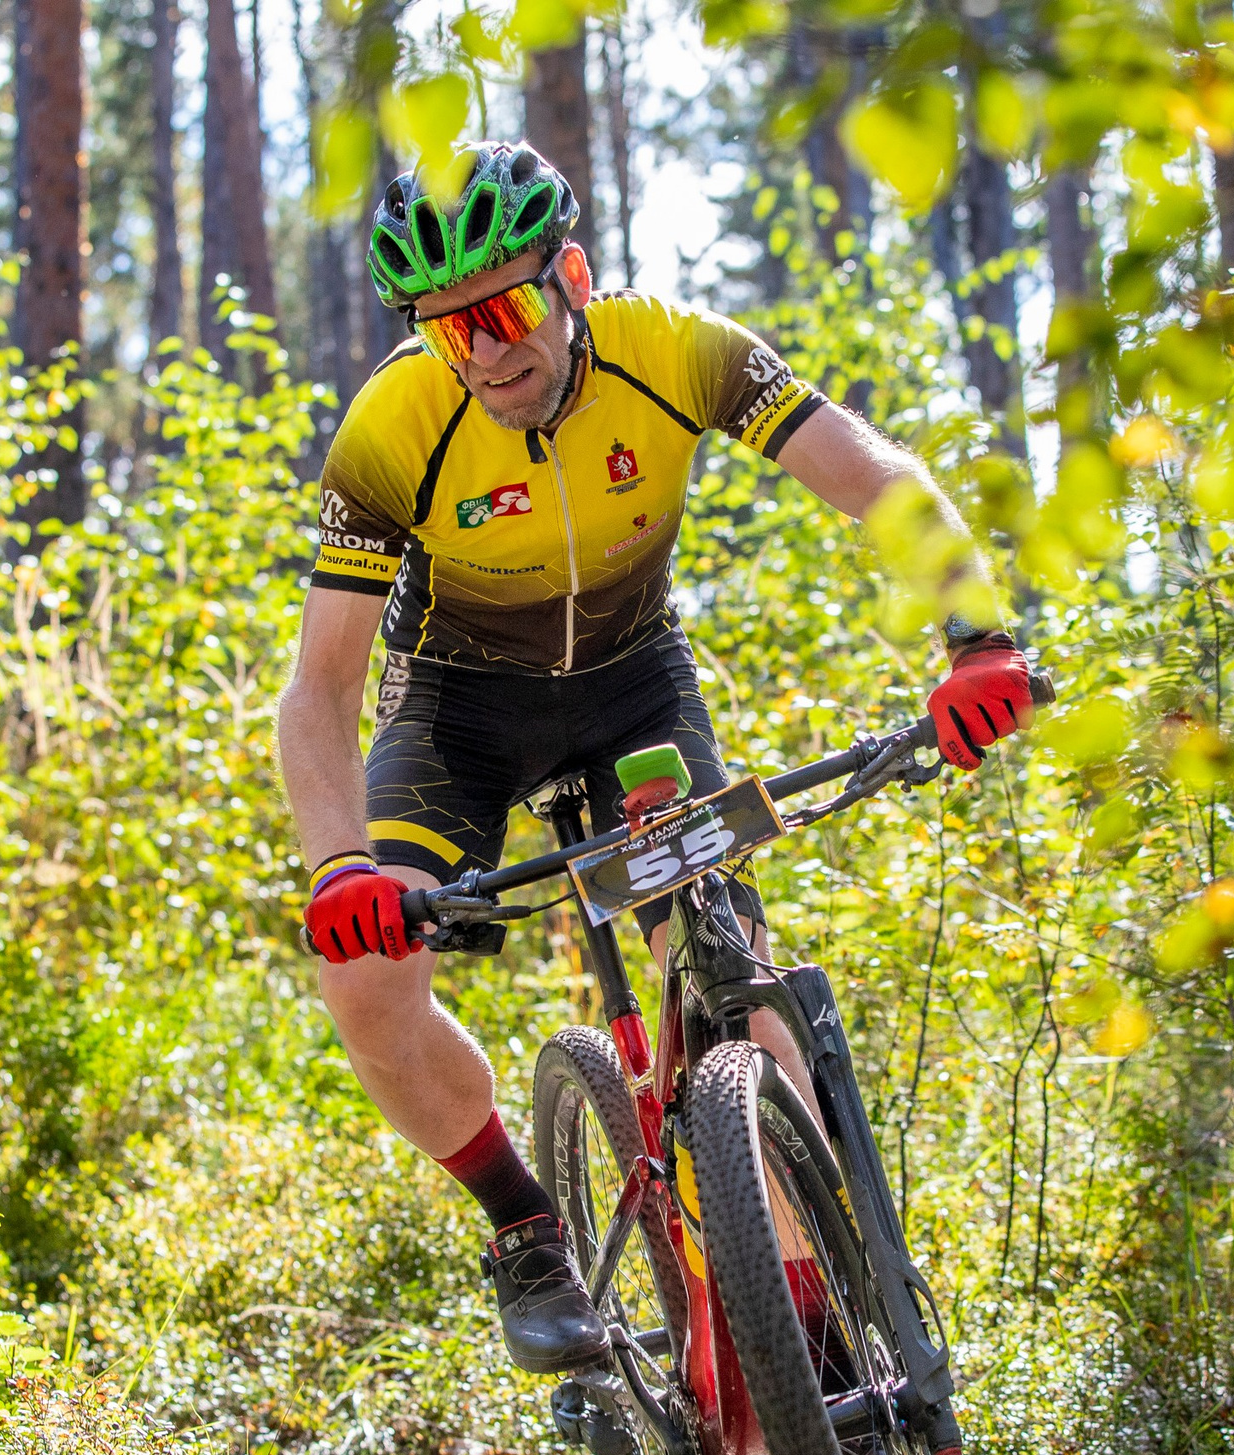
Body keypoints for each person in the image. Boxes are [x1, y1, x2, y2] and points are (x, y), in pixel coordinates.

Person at [275, 140, 1032, 1375]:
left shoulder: (677, 350)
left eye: (503, 311)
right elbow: (319, 689)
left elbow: (873, 479)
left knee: (739, 989)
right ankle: (523, 1225)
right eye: (446, 330)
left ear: (570, 277)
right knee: (363, 983)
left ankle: (818, 1336)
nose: (483, 353)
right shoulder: (393, 424)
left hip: (633, 691)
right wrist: (338, 867)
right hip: (459, 712)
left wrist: (977, 640)